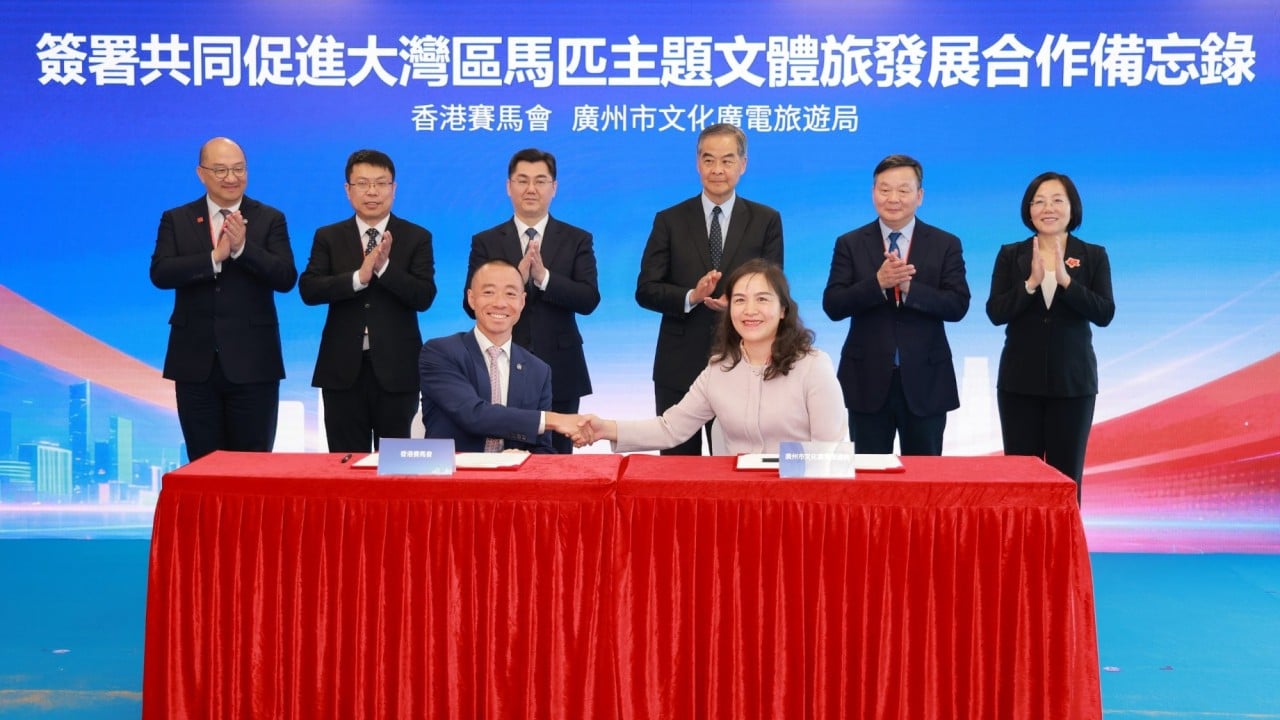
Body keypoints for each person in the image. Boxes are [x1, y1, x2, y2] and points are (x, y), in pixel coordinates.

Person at [575, 260, 846, 454]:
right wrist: (604, 429)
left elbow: (829, 451)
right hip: (736, 500)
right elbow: (670, 428)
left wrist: (774, 470)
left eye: (762, 299)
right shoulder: (719, 369)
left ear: (784, 310)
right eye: (739, 300)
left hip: (797, 500)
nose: (749, 310)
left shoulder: (813, 366)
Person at [635, 123, 784, 455]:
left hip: (744, 364)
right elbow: (645, 289)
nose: (717, 170)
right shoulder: (669, 220)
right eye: (708, 159)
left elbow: (775, 290)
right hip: (679, 366)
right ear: (697, 162)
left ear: (743, 164)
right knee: (677, 474)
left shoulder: (766, 220)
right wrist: (691, 296)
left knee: (737, 472)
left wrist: (739, 302)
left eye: (727, 160)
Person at [150, 137, 297, 463]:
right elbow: (161, 272)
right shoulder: (177, 219)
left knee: (252, 468)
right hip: (195, 364)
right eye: (221, 170)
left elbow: (286, 277)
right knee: (204, 466)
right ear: (201, 173)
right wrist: (214, 257)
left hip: (254, 365)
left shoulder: (269, 218)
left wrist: (243, 249)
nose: (231, 178)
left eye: (239, 169)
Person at [822, 154, 970, 456]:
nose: (893, 198)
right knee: (868, 481)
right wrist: (877, 283)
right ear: (873, 192)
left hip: (926, 381)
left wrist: (909, 288)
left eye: (903, 190)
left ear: (919, 196)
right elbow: (833, 305)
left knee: (924, 482)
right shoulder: (850, 243)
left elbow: (957, 305)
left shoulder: (945, 243)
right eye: (884, 189)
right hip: (866, 380)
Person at [986, 172, 1115, 502]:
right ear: (1029, 210)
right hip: (1018, 385)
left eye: (1057, 200)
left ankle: (1062, 553)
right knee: (1018, 480)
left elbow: (1104, 313)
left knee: (1065, 480)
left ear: (1072, 208)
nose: (1048, 208)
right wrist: (1029, 284)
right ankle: (1016, 552)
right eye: (1039, 201)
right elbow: (995, 312)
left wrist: (1067, 283)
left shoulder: (1093, 255)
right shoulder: (1010, 254)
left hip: (1073, 385)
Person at [299, 149, 437, 453]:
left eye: (380, 183)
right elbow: (309, 289)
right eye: (362, 183)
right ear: (348, 190)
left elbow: (424, 296)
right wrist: (358, 278)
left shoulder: (416, 237)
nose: (372, 191)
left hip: (398, 370)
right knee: (345, 462)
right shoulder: (329, 236)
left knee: (397, 464)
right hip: (341, 369)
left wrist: (384, 269)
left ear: (393, 189)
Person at [465, 148, 600, 453]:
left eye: (540, 181)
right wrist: (515, 279)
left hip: (561, 365)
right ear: (508, 186)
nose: (531, 189)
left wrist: (543, 277)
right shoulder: (486, 241)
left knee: (558, 460)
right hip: (498, 365)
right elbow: (468, 301)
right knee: (503, 457)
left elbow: (588, 298)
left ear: (554, 187)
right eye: (522, 180)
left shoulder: (577, 238)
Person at [420, 260, 584, 453]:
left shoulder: (539, 370)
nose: (499, 303)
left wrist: (524, 457)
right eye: (489, 292)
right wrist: (554, 419)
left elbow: (543, 448)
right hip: (452, 476)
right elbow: (473, 414)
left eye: (510, 294)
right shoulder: (440, 352)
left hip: (512, 480)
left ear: (522, 301)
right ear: (471, 298)